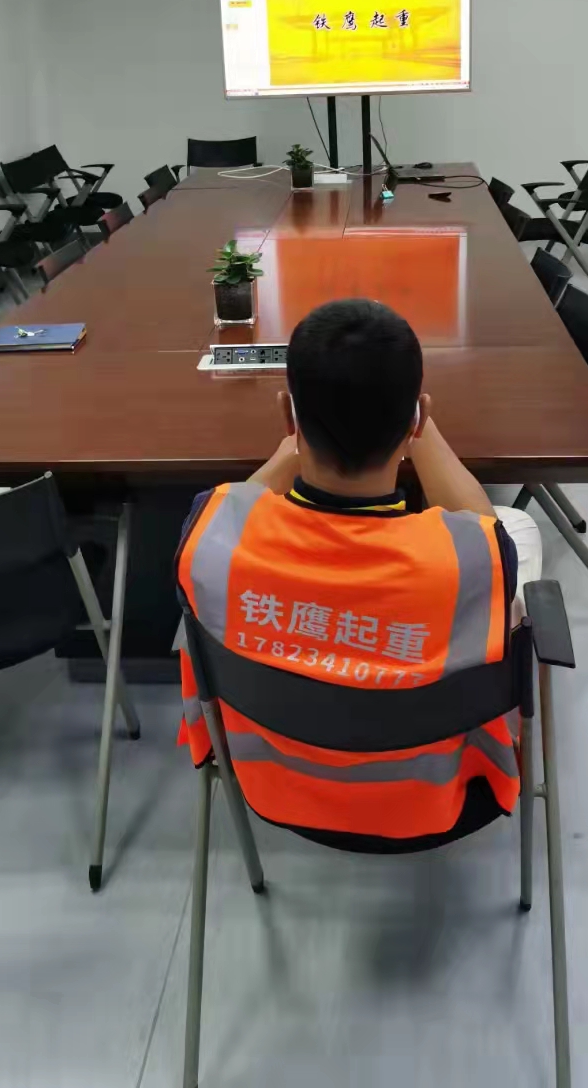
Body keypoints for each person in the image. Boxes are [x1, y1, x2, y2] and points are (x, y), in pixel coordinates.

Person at [176, 298, 543, 850]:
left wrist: (295, 441)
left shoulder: (210, 541)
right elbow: (485, 527)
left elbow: (237, 504)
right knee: (519, 529)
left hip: (274, 789)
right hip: (443, 802)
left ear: (288, 415)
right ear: (416, 418)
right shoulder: (469, 561)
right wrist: (419, 426)